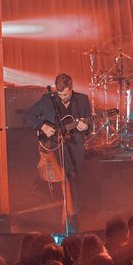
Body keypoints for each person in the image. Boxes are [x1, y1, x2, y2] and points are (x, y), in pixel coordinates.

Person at [30, 73, 92, 235]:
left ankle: (69, 218)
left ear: (72, 89)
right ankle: (72, 217)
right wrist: (42, 126)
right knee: (66, 178)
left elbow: (89, 123)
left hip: (74, 146)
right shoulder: (47, 99)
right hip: (53, 146)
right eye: (59, 94)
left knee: (73, 179)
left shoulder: (83, 100)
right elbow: (29, 115)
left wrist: (85, 127)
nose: (62, 97)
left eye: (65, 94)